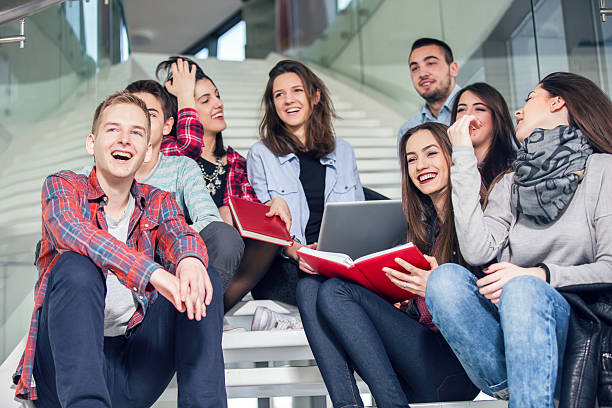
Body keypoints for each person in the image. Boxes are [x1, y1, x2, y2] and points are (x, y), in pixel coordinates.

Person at [13, 92, 226, 406]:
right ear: (92, 143)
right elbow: (72, 231)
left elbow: (179, 233)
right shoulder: (63, 186)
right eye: (113, 130)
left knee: (201, 276)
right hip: (66, 369)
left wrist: (190, 259)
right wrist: (151, 273)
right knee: (76, 265)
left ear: (146, 150)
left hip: (133, 367)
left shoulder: (159, 200)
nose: (125, 139)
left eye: (137, 133)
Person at [426, 72, 612, 407]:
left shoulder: (603, 171)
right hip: (514, 340)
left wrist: (539, 275)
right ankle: (528, 384)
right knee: (444, 279)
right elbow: (475, 249)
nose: (518, 111)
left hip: (580, 329)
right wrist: (463, 156)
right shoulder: (509, 184)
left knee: (524, 288)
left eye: (529, 98)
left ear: (558, 102)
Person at [298, 122, 479, 407]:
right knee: (309, 286)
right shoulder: (423, 227)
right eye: (411, 159)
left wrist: (437, 286)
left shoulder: (474, 220)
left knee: (336, 292)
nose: (421, 165)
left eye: (431, 153)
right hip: (415, 362)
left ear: (452, 155)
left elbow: (485, 306)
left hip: (455, 367)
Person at [80, 79, 244, 295]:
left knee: (223, 236)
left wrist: (157, 241)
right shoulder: (87, 175)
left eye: (150, 114)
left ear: (168, 126)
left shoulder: (181, 169)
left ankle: (198, 312)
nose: (140, 121)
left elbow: (209, 220)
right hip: (110, 272)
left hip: (170, 272)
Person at [156, 56, 291, 312]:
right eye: (205, 100)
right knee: (220, 225)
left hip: (228, 276)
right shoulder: (169, 152)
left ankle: (215, 306)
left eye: (217, 96)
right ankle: (200, 307)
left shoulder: (236, 162)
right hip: (180, 265)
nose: (218, 103)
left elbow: (252, 221)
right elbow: (187, 149)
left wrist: (271, 207)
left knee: (267, 224)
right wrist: (184, 94)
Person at [247, 59, 364, 307]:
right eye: (279, 95)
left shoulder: (344, 151)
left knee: (341, 288)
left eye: (297, 90)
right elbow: (265, 228)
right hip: (288, 263)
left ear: (315, 96)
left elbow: (358, 216)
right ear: (273, 105)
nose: (288, 100)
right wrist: (299, 251)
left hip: (339, 260)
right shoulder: (260, 154)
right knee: (320, 290)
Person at [450, 82, 518, 190]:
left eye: (479, 109)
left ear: (496, 118)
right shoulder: (448, 168)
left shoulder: (513, 168)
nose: (468, 116)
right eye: (461, 110)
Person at [397, 38, 461, 141]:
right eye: (415, 68)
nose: (422, 74)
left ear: (453, 69)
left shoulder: (480, 111)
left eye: (431, 63)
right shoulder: (408, 130)